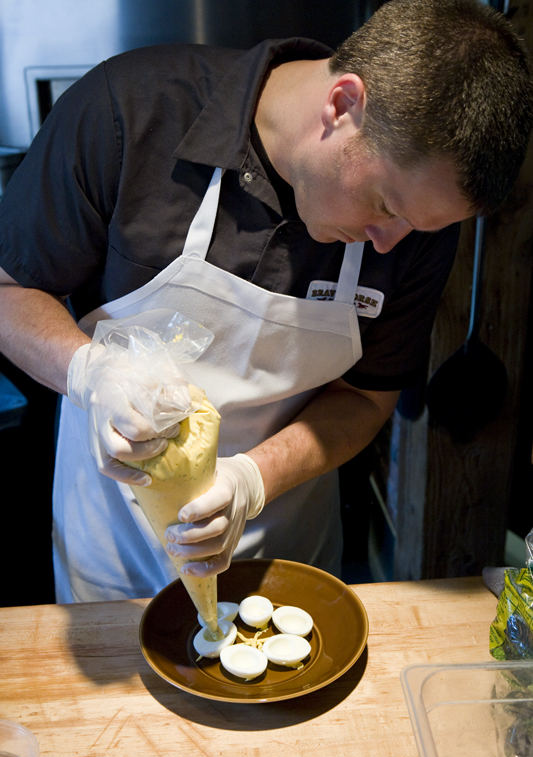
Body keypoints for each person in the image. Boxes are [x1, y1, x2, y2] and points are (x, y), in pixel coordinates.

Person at [0, 0, 531, 602]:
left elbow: (366, 396)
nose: (390, 242)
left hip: (285, 558)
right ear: (343, 105)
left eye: (418, 226)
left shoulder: (413, 230)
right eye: (385, 205)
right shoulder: (127, 111)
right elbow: (8, 290)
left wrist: (253, 477)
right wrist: (92, 374)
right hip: (111, 556)